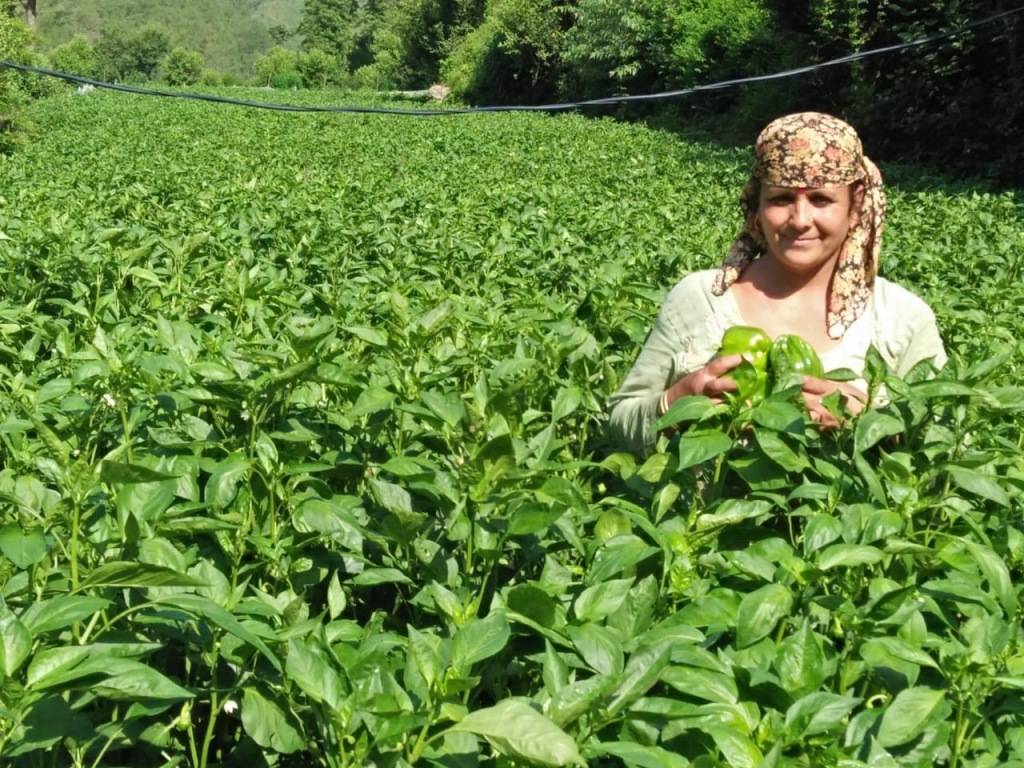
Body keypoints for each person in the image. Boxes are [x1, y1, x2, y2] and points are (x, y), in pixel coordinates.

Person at [607, 112, 946, 455]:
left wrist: (873, 425)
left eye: (821, 199)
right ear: (757, 204)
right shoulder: (701, 299)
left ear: (855, 206)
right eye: (781, 199)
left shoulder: (900, 320)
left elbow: (943, 444)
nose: (800, 220)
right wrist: (675, 402)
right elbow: (621, 420)